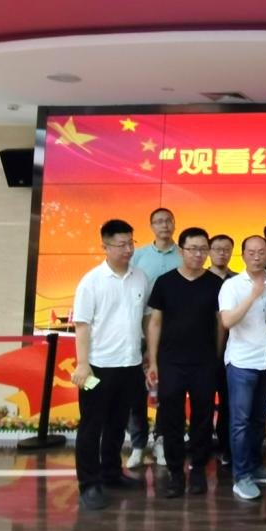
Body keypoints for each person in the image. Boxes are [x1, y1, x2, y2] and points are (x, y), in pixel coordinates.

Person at [72, 219, 151, 511]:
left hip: (130, 365)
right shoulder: (91, 281)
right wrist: (83, 365)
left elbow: (144, 318)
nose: (128, 249)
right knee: (91, 427)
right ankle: (89, 484)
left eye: (131, 242)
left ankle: (111, 473)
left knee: (118, 423)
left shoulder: (140, 277)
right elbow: (82, 325)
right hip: (98, 366)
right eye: (121, 244)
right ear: (104, 246)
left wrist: (147, 354)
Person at [146, 227, 223, 498]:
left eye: (203, 249)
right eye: (193, 249)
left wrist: (217, 356)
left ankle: (199, 469)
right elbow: (155, 322)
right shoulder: (165, 282)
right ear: (181, 250)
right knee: (171, 418)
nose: (198, 254)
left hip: (204, 361)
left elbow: (220, 325)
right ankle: (175, 473)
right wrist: (153, 360)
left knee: (203, 416)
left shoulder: (215, 283)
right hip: (171, 362)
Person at [219, 235, 266, 500]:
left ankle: (253, 466)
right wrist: (253, 296)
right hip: (241, 362)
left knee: (260, 420)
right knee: (240, 422)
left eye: (261, 251)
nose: (256, 256)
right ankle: (240, 476)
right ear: (242, 255)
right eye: (251, 252)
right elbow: (228, 321)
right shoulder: (232, 286)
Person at [128, 207, 181, 469]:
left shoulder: (183, 255)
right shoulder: (137, 256)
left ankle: (161, 440)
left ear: (174, 223)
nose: (164, 225)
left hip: (172, 334)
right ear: (151, 227)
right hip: (138, 332)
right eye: (158, 221)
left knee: (167, 392)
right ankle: (138, 444)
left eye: (168, 221)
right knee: (135, 392)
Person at [207, 233, 235, 465]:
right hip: (203, 350)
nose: (222, 253)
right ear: (209, 251)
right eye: (217, 249)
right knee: (203, 401)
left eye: (226, 249)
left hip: (232, 351)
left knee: (228, 402)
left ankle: (226, 447)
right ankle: (202, 446)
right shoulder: (200, 279)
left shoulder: (237, 281)